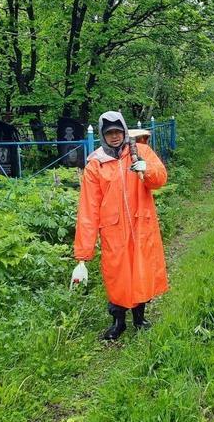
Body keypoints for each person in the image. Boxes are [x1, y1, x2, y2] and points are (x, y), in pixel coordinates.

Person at [73, 111, 169, 340]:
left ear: (124, 131)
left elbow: (160, 179)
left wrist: (145, 169)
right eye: (109, 133)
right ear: (102, 135)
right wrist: (82, 256)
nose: (114, 137)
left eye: (117, 131)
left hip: (140, 226)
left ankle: (139, 318)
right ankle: (118, 322)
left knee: (140, 272)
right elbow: (88, 208)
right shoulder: (96, 164)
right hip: (113, 231)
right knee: (117, 276)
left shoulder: (140, 152)